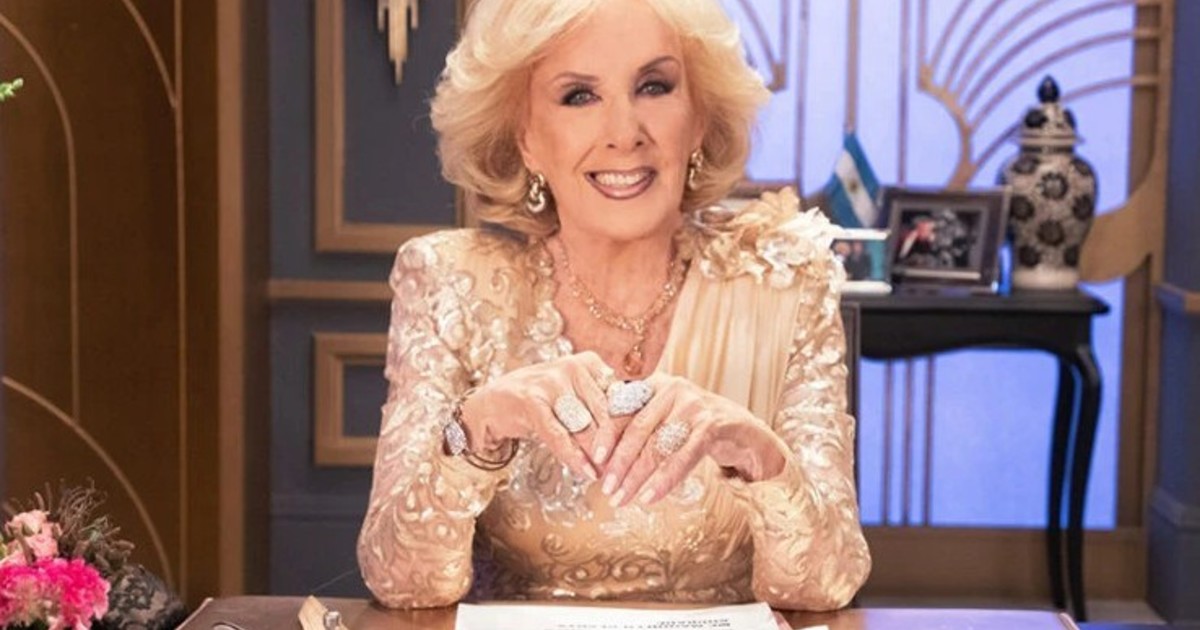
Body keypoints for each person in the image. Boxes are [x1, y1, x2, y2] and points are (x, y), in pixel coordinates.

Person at [357, 0, 871, 611]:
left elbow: (825, 584)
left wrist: (761, 458)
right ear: (525, 137)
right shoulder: (452, 284)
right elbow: (403, 581)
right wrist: (477, 429)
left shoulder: (784, 283)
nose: (625, 132)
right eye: (579, 96)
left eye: (654, 87)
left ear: (699, 117)